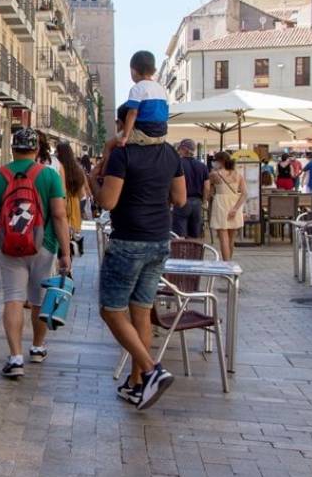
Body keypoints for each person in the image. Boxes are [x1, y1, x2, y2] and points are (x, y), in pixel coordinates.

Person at [89, 104, 186, 410]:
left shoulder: (124, 153)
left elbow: (107, 200)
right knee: (141, 312)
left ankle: (151, 369)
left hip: (129, 240)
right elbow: (181, 199)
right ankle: (135, 383)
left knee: (111, 311)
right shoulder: (170, 153)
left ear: (125, 124)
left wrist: (92, 179)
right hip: (159, 240)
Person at [0, 128, 71, 379]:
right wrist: (65, 252)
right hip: (44, 245)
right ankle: (38, 348)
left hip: (8, 247)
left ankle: (16, 357)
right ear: (36, 150)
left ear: (13, 149)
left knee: (13, 298)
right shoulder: (49, 176)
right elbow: (60, 215)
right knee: (38, 299)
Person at [119, 50, 168, 147]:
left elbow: (133, 113)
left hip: (145, 134)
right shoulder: (161, 89)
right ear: (153, 70)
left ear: (133, 71)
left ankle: (103, 162)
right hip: (162, 135)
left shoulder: (137, 88)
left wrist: (125, 136)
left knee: (110, 144)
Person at [208, 151, 246, 262]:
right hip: (235, 204)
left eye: (215, 160)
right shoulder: (238, 175)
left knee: (223, 238)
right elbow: (244, 194)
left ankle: (226, 265)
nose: (214, 162)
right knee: (231, 238)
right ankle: (229, 263)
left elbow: (209, 191)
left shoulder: (214, 174)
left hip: (221, 204)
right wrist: (235, 209)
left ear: (221, 161)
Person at [55, 142, 90, 255]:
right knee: (71, 237)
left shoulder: (56, 169)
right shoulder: (78, 170)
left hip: (58, 204)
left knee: (59, 240)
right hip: (74, 207)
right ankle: (69, 264)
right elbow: (82, 195)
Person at [172, 139, 210, 240]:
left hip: (181, 201)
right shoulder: (203, 166)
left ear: (184, 149)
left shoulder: (177, 164)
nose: (178, 151)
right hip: (197, 202)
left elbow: (172, 183)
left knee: (179, 234)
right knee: (194, 234)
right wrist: (204, 201)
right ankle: (192, 254)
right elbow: (207, 187)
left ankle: (180, 255)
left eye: (179, 149)